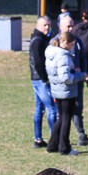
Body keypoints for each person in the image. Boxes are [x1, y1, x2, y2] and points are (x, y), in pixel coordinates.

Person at [58, 14, 88, 147]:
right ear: (60, 26)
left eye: (71, 26)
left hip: (77, 82)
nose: (70, 28)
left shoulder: (77, 41)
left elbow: (83, 58)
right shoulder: (55, 42)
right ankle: (60, 139)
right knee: (62, 113)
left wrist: (83, 74)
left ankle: (82, 136)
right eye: (67, 26)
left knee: (78, 109)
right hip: (63, 84)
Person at [44, 32, 86, 156]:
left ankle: (52, 145)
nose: (72, 47)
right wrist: (80, 75)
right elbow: (65, 77)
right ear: (65, 43)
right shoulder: (63, 56)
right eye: (72, 45)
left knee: (61, 117)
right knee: (66, 118)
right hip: (66, 91)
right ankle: (64, 147)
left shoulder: (52, 52)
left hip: (56, 89)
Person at [29, 16, 57, 149]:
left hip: (37, 79)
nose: (47, 27)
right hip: (40, 80)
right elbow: (38, 62)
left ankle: (38, 139)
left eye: (49, 25)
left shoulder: (41, 39)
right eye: (45, 25)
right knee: (52, 108)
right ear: (38, 26)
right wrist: (45, 78)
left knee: (39, 109)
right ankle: (54, 139)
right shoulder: (38, 41)